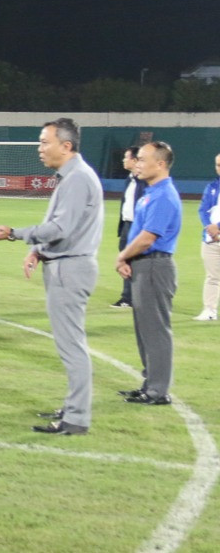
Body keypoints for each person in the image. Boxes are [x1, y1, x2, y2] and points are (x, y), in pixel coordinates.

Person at [0, 117, 103, 435]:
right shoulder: (73, 176)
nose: (39, 148)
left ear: (66, 145)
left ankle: (76, 418)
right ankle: (73, 408)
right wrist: (38, 251)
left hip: (71, 268)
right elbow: (65, 229)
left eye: (44, 142)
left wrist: (15, 234)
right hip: (65, 263)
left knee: (71, 346)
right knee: (71, 344)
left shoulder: (77, 178)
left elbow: (61, 228)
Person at [116, 141, 182, 406]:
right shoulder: (151, 192)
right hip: (144, 265)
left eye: (143, 159)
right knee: (145, 330)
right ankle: (150, 384)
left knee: (155, 330)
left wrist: (122, 255)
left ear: (161, 164)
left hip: (155, 265)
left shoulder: (163, 194)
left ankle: (158, 390)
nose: (138, 163)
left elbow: (147, 238)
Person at [110, 146, 141, 309]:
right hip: (126, 225)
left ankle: (130, 297)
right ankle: (127, 297)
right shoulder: (129, 180)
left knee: (135, 262)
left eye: (126, 157)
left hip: (137, 226)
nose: (123, 160)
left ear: (135, 160)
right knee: (125, 261)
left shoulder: (143, 181)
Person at [197, 152, 220, 321]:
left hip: (215, 233)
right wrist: (209, 227)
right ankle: (210, 310)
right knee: (212, 277)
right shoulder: (211, 187)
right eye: (218, 165)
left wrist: (217, 227)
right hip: (211, 239)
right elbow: (202, 209)